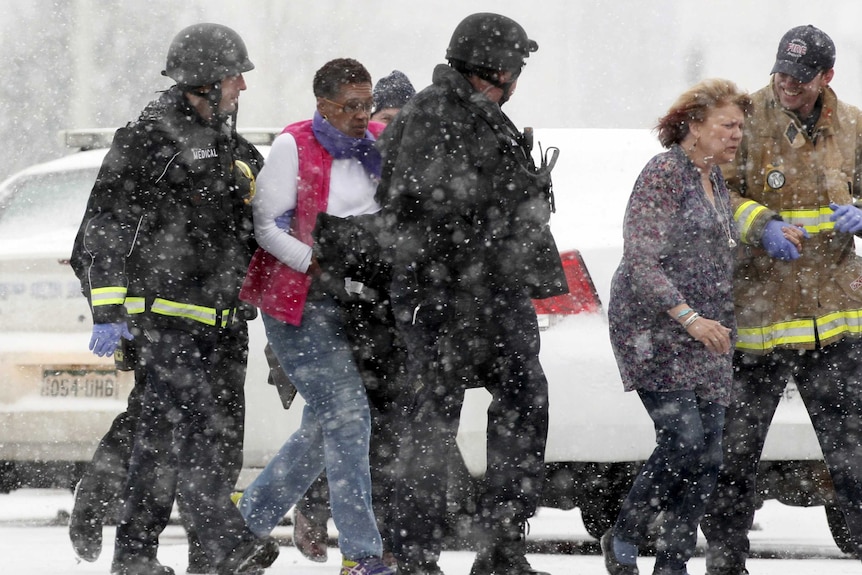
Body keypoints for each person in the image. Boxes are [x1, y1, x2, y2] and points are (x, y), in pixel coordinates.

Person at [69, 23, 279, 575]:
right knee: (170, 446)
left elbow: (267, 235)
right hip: (165, 326)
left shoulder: (236, 149)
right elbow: (101, 232)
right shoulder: (147, 141)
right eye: (235, 75)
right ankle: (159, 552)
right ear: (205, 81)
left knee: (217, 446)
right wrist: (110, 312)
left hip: (225, 326)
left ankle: (203, 557)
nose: (242, 86)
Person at [374, 12, 567, 575]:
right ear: (496, 68)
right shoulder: (435, 112)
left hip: (493, 293)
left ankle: (504, 543)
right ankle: (414, 553)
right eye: (517, 67)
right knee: (431, 425)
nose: (519, 78)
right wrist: (504, 208)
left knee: (524, 404)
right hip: (444, 296)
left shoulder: (485, 117)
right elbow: (429, 206)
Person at [700, 25, 862, 575]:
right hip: (760, 318)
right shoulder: (746, 119)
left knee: (854, 453)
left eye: (799, 78)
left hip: (834, 321)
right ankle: (726, 561)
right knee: (734, 455)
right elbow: (718, 191)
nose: (786, 85)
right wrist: (759, 224)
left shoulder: (853, 125)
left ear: (826, 78)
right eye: (781, 74)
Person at [237, 57, 395, 575]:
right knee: (348, 416)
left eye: (366, 104)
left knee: (322, 430)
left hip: (357, 305)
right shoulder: (293, 145)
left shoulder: (376, 144)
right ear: (323, 104)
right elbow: (266, 225)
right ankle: (362, 555)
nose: (361, 114)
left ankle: (243, 527)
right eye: (350, 105)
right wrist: (315, 263)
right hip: (298, 303)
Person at [600, 79, 750, 575]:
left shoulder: (718, 180)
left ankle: (673, 562)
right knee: (683, 439)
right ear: (694, 125)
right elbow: (641, 260)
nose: (736, 135)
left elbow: (715, 259)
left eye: (740, 127)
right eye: (727, 125)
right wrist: (688, 317)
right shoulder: (665, 173)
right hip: (655, 328)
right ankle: (623, 534)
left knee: (707, 455)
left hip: (708, 334)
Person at [288, 67, 416, 565]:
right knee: (331, 422)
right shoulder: (349, 162)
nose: (392, 128)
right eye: (386, 117)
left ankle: (369, 543)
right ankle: (313, 511)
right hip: (341, 314)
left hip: (390, 320)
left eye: (402, 119)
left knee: (382, 434)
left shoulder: (403, 170)